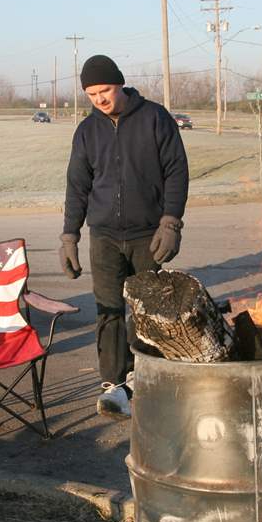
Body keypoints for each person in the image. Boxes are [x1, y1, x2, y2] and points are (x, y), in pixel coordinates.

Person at [59, 55, 189, 419]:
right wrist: (70, 235)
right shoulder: (87, 131)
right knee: (108, 309)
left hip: (147, 234)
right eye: (91, 93)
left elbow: (176, 171)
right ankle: (114, 384)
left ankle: (145, 376)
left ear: (120, 85)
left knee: (146, 311)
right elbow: (77, 185)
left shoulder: (154, 118)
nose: (99, 99)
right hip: (103, 235)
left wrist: (171, 222)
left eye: (105, 91)